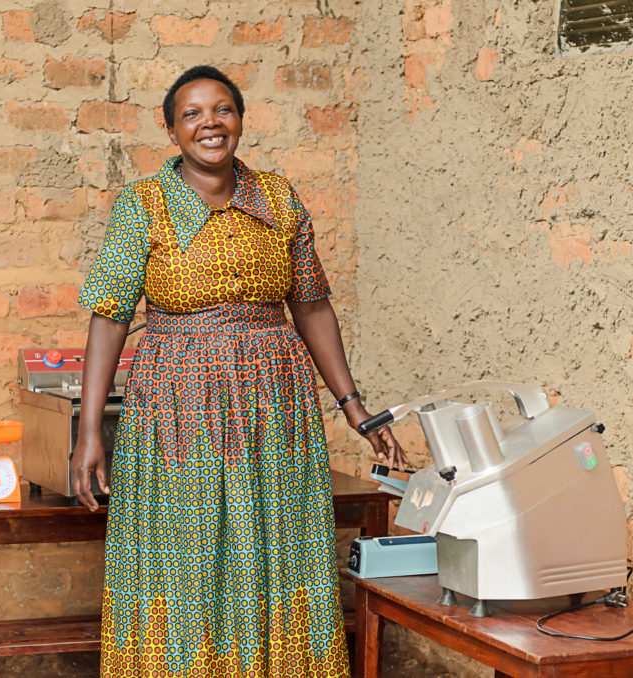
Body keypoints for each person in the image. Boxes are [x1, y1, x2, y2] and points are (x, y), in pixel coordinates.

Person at [72, 64, 404, 677]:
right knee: (183, 553)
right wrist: (91, 431)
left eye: (222, 110)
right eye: (192, 114)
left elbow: (310, 305)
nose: (209, 124)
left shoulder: (279, 199)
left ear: (240, 120)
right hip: (177, 409)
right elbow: (109, 319)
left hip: (273, 405)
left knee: (276, 547)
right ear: (172, 131)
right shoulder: (142, 205)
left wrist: (356, 407)